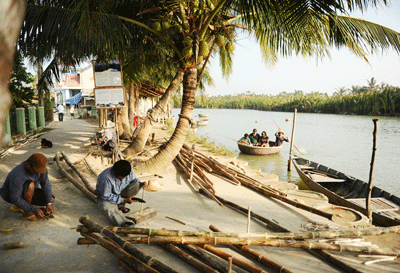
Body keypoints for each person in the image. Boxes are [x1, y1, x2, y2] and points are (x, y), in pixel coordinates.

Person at [0, 153, 55, 221]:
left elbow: (46, 184)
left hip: (29, 190)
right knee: (30, 185)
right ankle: (26, 213)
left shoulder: (40, 168)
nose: (38, 173)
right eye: (36, 171)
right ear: (28, 165)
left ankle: (22, 205)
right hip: (10, 195)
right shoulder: (18, 174)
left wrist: (49, 203)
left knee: (51, 198)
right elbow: (15, 198)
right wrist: (33, 209)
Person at [95, 160, 147, 227]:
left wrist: (142, 183)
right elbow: (106, 196)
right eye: (121, 176)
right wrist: (124, 200)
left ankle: (120, 206)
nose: (124, 178)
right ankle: (124, 223)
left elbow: (134, 180)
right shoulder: (105, 177)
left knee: (137, 185)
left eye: (125, 176)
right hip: (107, 197)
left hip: (120, 192)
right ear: (114, 171)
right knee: (107, 208)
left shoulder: (128, 171)